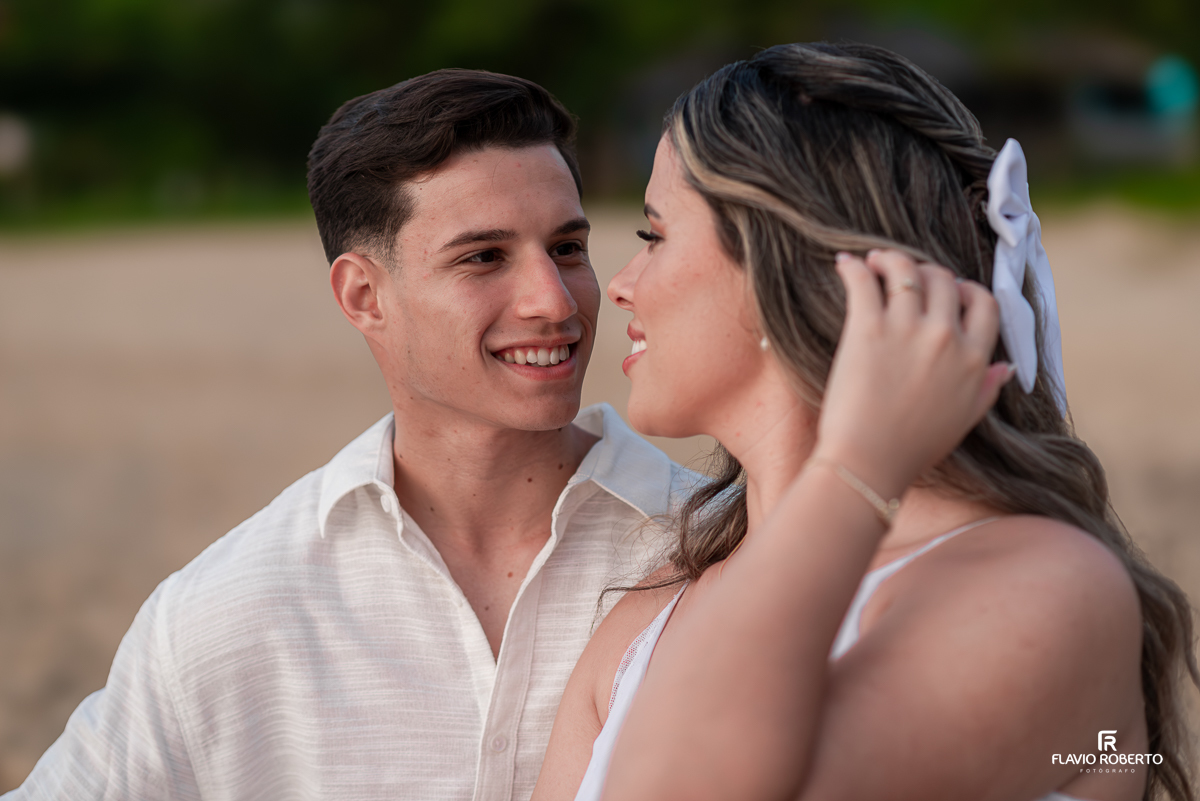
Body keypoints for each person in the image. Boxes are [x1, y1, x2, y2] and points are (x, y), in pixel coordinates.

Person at [531, 43, 1198, 801]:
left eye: (655, 235)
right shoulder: (647, 618)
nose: (620, 284)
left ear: (789, 261)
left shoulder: (1046, 588)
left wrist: (854, 467)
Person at [5, 70, 695, 800]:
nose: (554, 300)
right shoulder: (230, 611)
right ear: (363, 296)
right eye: (483, 257)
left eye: (566, 247)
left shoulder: (716, 545)